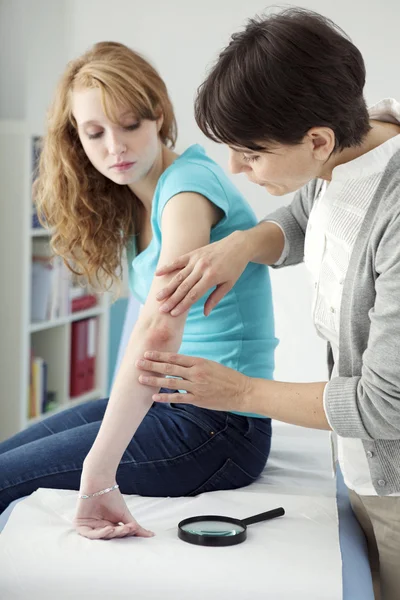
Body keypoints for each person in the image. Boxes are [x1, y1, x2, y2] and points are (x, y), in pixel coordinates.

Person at [136, 8, 400, 600]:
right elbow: (309, 214)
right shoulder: (360, 136)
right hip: (355, 464)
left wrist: (238, 392)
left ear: (317, 140)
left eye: (251, 154)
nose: (235, 170)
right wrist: (244, 243)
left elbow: (386, 406)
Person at [0, 42, 278, 540]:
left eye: (130, 125)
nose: (116, 147)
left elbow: (157, 329)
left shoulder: (187, 189)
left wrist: (97, 475)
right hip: (171, 407)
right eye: (95, 133)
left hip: (217, 429)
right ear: (76, 140)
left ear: (158, 117)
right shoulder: (135, 200)